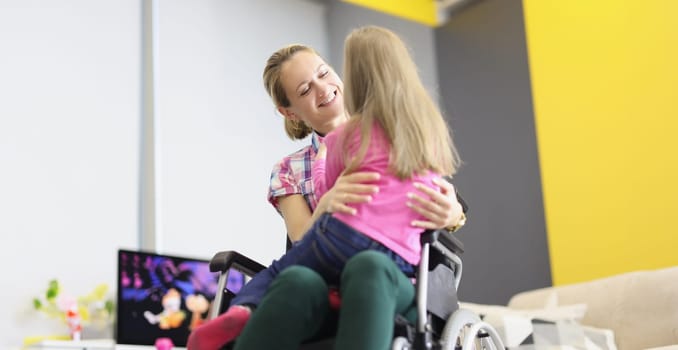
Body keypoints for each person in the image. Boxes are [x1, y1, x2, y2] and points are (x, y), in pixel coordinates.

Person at [187, 28, 466, 350]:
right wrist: (326, 205)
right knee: (294, 280)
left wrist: (453, 213)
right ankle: (242, 315)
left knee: (369, 267)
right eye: (306, 89)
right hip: (322, 277)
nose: (323, 89)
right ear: (289, 111)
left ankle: (246, 308)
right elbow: (302, 239)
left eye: (324, 74)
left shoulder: (397, 131)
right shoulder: (290, 169)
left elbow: (435, 190)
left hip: (393, 278)